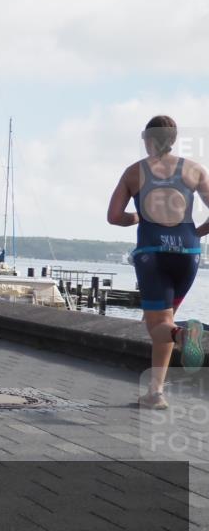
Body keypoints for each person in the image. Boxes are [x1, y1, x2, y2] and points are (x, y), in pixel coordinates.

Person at [107, 115, 209, 409]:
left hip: (153, 255)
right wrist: (194, 233)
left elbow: (114, 217)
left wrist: (136, 217)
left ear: (147, 140)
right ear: (173, 139)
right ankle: (155, 393)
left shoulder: (133, 173)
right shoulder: (194, 170)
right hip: (188, 256)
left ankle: (183, 333)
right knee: (161, 322)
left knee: (161, 327)